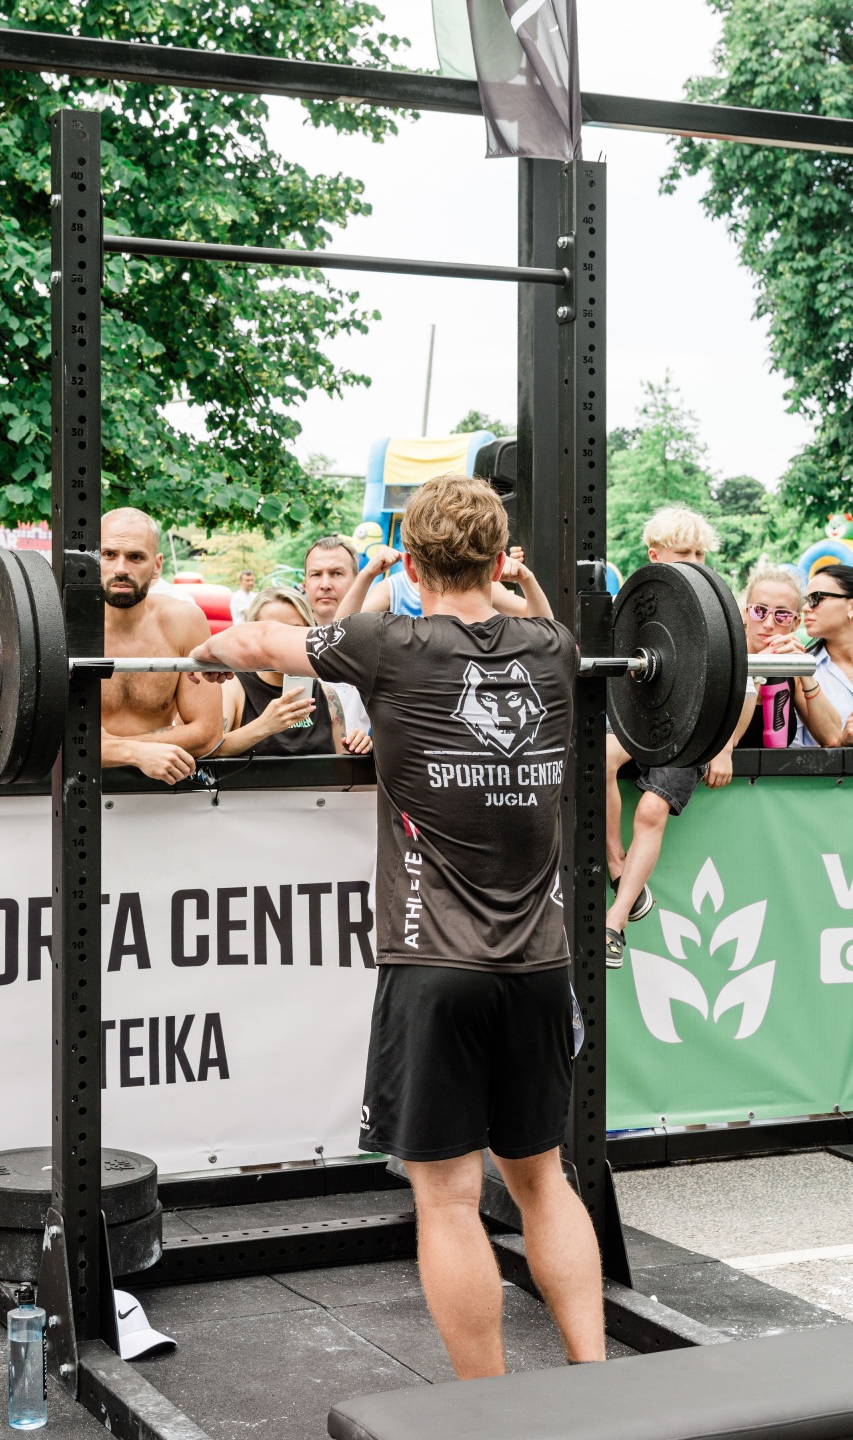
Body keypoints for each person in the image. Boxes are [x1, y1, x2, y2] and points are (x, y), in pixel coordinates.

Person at [188, 473, 605, 1375]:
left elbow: (252, 639)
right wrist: (520, 586)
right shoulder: (553, 649)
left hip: (434, 967)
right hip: (540, 967)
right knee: (543, 1179)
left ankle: (489, 1411)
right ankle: (594, 1380)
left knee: (448, 1198)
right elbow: (540, 619)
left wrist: (203, 656)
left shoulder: (387, 642)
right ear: (497, 562)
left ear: (409, 564)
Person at [605, 505, 756, 969]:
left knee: (652, 810)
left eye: (699, 554)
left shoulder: (718, 607)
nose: (695, 562)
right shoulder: (639, 603)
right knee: (599, 758)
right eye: (684, 553)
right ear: (655, 556)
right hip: (647, 722)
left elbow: (745, 689)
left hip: (694, 733)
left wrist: (724, 748)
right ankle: (617, 867)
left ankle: (614, 923)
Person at [100, 508, 223, 784]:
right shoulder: (61, 624)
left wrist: (109, 748)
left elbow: (207, 733)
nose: (121, 569)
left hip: (159, 787)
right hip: (76, 787)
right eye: (109, 554)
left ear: (157, 566)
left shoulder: (185, 621)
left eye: (135, 557)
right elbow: (45, 736)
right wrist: (133, 753)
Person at [216, 587, 372, 758]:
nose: (283, 641)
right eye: (271, 632)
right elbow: (209, 751)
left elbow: (341, 763)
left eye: (294, 630)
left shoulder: (327, 695)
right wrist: (265, 725)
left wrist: (356, 749)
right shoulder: (234, 687)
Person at [737, 568, 840, 748]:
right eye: (759, 611)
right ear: (745, 614)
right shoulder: (727, 662)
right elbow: (729, 739)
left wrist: (803, 670)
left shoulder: (791, 673)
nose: (769, 624)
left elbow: (832, 737)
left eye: (782, 615)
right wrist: (758, 669)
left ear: (796, 623)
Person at [335, 542, 552, 620]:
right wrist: (366, 575)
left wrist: (526, 579)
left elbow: (540, 624)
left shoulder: (479, 584)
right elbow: (339, 634)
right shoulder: (395, 589)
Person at [302, 536, 370, 735]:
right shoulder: (287, 643)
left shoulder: (378, 643)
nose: (325, 584)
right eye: (316, 574)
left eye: (336, 573)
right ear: (305, 583)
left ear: (356, 581)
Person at [795, 564, 853, 747]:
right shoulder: (800, 668)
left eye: (817, 598)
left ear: (851, 606)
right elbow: (831, 740)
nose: (806, 608)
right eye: (807, 600)